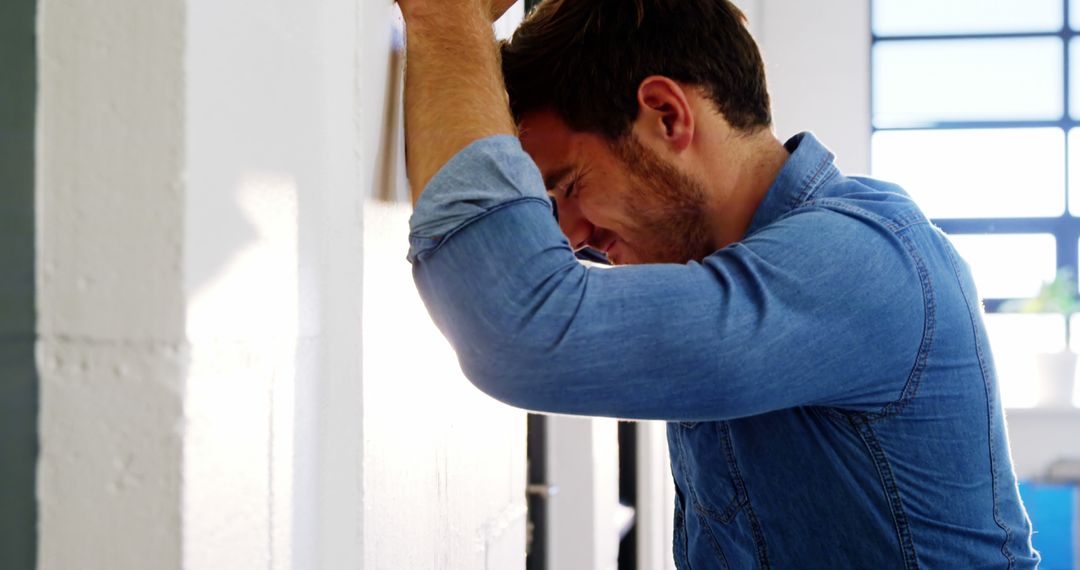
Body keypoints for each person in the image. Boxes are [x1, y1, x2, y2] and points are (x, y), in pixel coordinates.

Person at [397, 0, 1040, 567]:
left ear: (667, 115)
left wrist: (443, 14)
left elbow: (523, 325)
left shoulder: (862, 262)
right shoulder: (717, 264)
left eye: (567, 187)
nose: (568, 237)